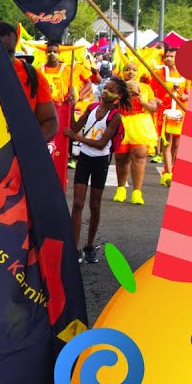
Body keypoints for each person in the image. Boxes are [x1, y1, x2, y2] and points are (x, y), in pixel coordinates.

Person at [67, 77, 125, 263]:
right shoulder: (91, 108)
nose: (105, 91)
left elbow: (101, 144)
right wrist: (71, 106)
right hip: (84, 159)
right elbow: (75, 126)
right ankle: (74, 248)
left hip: (100, 162)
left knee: (94, 205)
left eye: (111, 89)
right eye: (105, 87)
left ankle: (89, 246)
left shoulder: (115, 116)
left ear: (118, 96)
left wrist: (77, 137)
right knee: (77, 203)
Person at [0, 22, 57, 140]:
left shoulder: (34, 76)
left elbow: (49, 120)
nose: (5, 58)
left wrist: (30, 147)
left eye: (10, 52)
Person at [111, 63, 157, 205]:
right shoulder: (116, 87)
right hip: (121, 122)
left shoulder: (146, 88)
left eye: (134, 69)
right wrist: (122, 96)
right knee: (121, 158)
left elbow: (154, 107)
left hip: (140, 125)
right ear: (122, 72)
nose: (131, 72)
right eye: (127, 69)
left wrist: (141, 100)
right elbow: (109, 104)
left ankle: (137, 192)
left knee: (139, 156)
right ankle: (121, 189)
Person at [153, 46, 190, 185]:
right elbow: (153, 90)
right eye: (167, 56)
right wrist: (157, 99)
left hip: (180, 112)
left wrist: (182, 95)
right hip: (166, 112)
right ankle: (169, 173)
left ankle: (170, 169)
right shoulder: (159, 72)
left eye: (171, 56)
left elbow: (188, 92)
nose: (168, 58)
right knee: (167, 143)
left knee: (177, 144)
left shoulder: (186, 74)